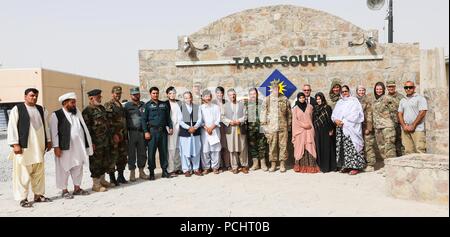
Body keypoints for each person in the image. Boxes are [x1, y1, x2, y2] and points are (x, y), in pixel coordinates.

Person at [7, 88, 52, 208]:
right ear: (25, 96)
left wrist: (48, 140)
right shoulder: (17, 109)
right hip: (24, 148)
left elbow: (45, 125)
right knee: (23, 173)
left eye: (36, 96)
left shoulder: (41, 109)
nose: (34, 98)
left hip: (39, 146)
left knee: (38, 172)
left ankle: (38, 195)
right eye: (32, 96)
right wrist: (15, 144)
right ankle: (23, 198)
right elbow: (12, 127)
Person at [50, 92, 92, 199]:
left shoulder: (77, 112)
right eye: (72, 102)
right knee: (64, 168)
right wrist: (56, 147)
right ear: (65, 103)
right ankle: (64, 190)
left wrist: (88, 144)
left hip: (78, 146)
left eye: (75, 102)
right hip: (65, 147)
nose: (74, 105)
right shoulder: (56, 115)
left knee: (78, 166)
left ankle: (77, 188)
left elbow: (84, 128)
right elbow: (54, 132)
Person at [82, 89, 112, 192]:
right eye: (98, 97)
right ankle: (96, 184)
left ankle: (102, 180)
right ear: (91, 98)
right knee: (96, 162)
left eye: (100, 96)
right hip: (96, 142)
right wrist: (91, 143)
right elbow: (87, 129)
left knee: (104, 160)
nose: (100, 98)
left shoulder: (102, 108)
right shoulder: (87, 111)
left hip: (105, 140)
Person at [332, 85, 366, 175]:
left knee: (352, 147)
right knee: (343, 148)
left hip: (351, 128)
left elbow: (356, 114)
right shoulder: (340, 102)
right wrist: (336, 120)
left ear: (349, 91)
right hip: (341, 129)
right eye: (342, 92)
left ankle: (355, 167)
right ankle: (346, 166)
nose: (344, 93)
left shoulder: (354, 101)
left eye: (346, 91)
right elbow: (334, 114)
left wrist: (343, 121)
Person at [261, 80, 292, 173]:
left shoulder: (285, 99)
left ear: (279, 88)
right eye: (274, 88)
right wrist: (265, 129)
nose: (276, 90)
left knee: (283, 146)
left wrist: (289, 126)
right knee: (272, 146)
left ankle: (282, 164)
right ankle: (273, 164)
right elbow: (263, 114)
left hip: (283, 127)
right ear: (272, 89)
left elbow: (289, 114)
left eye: (277, 88)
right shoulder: (267, 99)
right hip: (272, 127)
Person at [142, 87, 173, 180]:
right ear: (150, 94)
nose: (155, 95)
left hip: (163, 131)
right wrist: (146, 132)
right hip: (152, 132)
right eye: (153, 93)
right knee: (151, 153)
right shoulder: (147, 106)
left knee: (163, 151)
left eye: (157, 93)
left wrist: (170, 127)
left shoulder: (163, 105)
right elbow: (143, 120)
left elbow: (168, 118)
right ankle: (151, 172)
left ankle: (164, 171)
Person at [104, 86, 128, 185]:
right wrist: (114, 134)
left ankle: (121, 176)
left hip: (123, 135)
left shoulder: (120, 105)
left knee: (122, 156)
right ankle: (112, 178)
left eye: (119, 93)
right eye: (116, 93)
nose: (118, 95)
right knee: (113, 156)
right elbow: (108, 122)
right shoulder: (109, 105)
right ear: (112, 93)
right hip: (115, 136)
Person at [124, 87, 149, 182]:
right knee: (131, 153)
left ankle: (141, 171)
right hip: (131, 132)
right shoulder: (127, 106)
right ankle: (132, 172)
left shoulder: (144, 105)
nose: (136, 96)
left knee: (142, 152)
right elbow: (124, 120)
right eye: (134, 94)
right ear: (131, 95)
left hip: (142, 132)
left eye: (137, 94)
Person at [223, 88, 248, 174]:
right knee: (232, 148)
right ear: (228, 96)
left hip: (239, 127)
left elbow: (245, 115)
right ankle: (234, 167)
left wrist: (239, 121)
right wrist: (230, 122)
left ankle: (244, 165)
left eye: (233, 94)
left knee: (242, 147)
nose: (232, 96)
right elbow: (222, 117)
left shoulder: (241, 105)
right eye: (230, 95)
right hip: (230, 128)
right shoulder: (225, 106)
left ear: (235, 95)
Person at [398, 81, 428, 154]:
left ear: (414, 88)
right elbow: (399, 113)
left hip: (417, 128)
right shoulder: (403, 100)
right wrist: (404, 126)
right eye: (406, 87)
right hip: (405, 129)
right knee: (408, 151)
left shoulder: (420, 98)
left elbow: (422, 112)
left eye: (410, 87)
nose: (408, 89)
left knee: (420, 150)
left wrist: (413, 125)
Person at [292, 92, 319, 173]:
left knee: (310, 147)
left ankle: (311, 166)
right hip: (300, 132)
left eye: (303, 97)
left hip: (309, 131)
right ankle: (300, 166)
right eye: (300, 98)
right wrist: (304, 125)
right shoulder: (295, 108)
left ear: (305, 98)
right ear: (298, 99)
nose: (302, 99)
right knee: (300, 147)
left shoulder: (310, 107)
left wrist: (309, 126)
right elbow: (294, 121)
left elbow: (313, 118)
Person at [178, 91, 203, 177]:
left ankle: (196, 169)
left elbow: (200, 119)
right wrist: (189, 128)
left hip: (195, 132)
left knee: (196, 150)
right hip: (185, 133)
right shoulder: (181, 108)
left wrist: (195, 127)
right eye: (186, 98)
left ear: (191, 97)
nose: (188, 99)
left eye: (189, 97)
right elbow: (180, 121)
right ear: (184, 99)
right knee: (185, 151)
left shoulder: (197, 107)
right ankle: (186, 169)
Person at [373, 82, 398, 161]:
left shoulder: (388, 98)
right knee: (382, 148)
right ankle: (387, 166)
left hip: (387, 127)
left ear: (383, 89)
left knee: (389, 148)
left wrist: (394, 123)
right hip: (378, 127)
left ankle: (392, 167)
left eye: (380, 89)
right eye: (377, 89)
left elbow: (395, 110)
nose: (378, 90)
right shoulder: (375, 100)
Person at [313, 92, 336, 173]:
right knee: (320, 148)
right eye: (317, 99)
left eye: (319, 99)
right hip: (318, 130)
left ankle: (329, 167)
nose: (318, 100)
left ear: (323, 99)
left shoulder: (327, 107)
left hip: (326, 130)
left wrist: (331, 130)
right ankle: (322, 166)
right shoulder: (315, 108)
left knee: (327, 148)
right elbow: (314, 120)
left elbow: (330, 119)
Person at [200, 89, 222, 174]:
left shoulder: (216, 107)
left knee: (215, 149)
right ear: (202, 98)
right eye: (206, 96)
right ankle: (206, 167)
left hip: (215, 130)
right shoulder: (200, 108)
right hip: (204, 131)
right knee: (205, 150)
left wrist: (211, 128)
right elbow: (200, 120)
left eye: (209, 96)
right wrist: (206, 128)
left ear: (211, 97)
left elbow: (218, 119)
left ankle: (215, 167)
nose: (208, 98)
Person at [247, 88, 268, 171]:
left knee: (262, 146)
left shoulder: (261, 103)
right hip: (251, 129)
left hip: (261, 128)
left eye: (254, 94)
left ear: (257, 94)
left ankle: (263, 164)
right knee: (253, 147)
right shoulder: (246, 104)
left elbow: (267, 114)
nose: (253, 95)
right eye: (251, 94)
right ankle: (255, 164)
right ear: (249, 95)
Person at [356, 86, 377, 172]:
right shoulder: (355, 101)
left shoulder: (368, 100)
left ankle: (370, 164)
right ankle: (362, 163)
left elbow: (369, 114)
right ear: (357, 91)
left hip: (366, 126)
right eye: (359, 90)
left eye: (363, 90)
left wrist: (368, 128)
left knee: (368, 146)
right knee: (360, 145)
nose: (361, 92)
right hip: (357, 127)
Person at [212, 86, 231, 171]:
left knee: (225, 145)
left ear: (223, 94)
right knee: (217, 146)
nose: (220, 94)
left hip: (225, 125)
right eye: (218, 92)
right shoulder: (212, 103)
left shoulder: (226, 102)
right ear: (216, 94)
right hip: (215, 126)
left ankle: (227, 164)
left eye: (221, 93)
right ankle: (219, 165)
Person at [386, 80, 406, 156]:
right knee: (391, 144)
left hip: (399, 124)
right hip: (389, 126)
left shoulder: (401, 97)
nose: (391, 88)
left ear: (395, 87)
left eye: (392, 86)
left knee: (400, 144)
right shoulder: (384, 98)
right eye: (389, 86)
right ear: (387, 87)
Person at [166, 87, 182, 177]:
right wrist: (168, 128)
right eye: (170, 93)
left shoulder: (179, 103)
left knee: (178, 148)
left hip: (179, 128)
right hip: (170, 128)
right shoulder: (165, 104)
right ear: (167, 94)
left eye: (174, 93)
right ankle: (171, 169)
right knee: (171, 148)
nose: (172, 95)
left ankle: (178, 167)